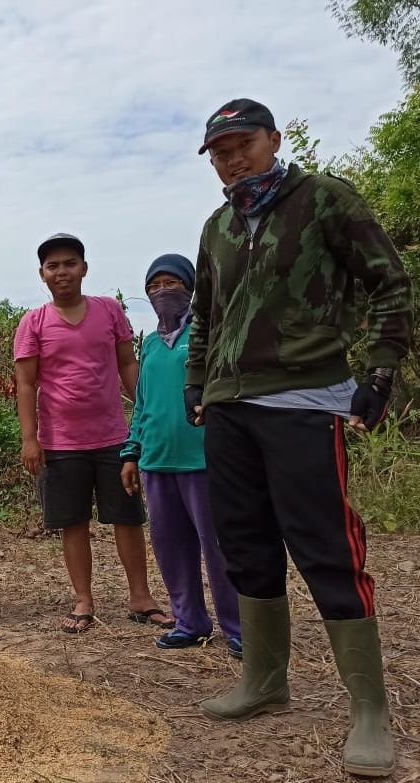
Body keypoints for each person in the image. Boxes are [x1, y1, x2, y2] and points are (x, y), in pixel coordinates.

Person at [187, 98, 412, 778]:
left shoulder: (324, 200)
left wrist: (379, 369)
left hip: (305, 400)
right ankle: (264, 679)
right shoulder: (216, 226)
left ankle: (369, 710)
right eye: (220, 151)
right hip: (229, 407)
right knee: (245, 545)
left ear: (273, 139)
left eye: (242, 143)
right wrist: (197, 382)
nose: (232, 158)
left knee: (326, 545)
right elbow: (206, 316)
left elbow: (389, 282)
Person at [14, 233, 171, 634]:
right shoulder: (34, 322)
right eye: (53, 266)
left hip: (115, 437)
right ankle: (84, 600)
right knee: (73, 522)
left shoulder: (108, 310)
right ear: (42, 275)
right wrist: (30, 439)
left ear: (84, 268)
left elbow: (127, 365)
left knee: (128, 518)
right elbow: (27, 384)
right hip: (60, 441)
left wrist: (148, 415)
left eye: (69, 263)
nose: (61, 272)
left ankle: (141, 597)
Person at [119, 254, 241, 657]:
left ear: (190, 288)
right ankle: (189, 622)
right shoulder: (151, 343)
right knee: (170, 546)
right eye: (154, 286)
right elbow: (142, 403)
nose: (161, 292)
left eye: (171, 283)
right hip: (157, 460)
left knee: (218, 547)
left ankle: (238, 627)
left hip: (203, 459)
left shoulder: (209, 336)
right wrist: (132, 451)